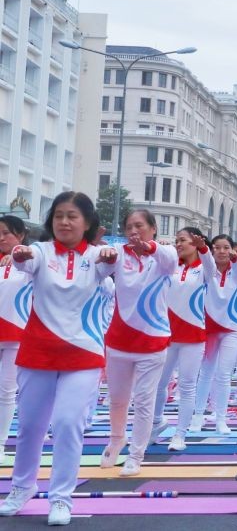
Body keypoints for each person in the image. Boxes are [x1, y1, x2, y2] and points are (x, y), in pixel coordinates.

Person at [0, 192, 118, 525]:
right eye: (59, 216)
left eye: (72, 216)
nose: (64, 222)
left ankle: (62, 498)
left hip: (83, 354)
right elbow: (25, 261)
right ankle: (21, 488)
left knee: (68, 425)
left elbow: (111, 266)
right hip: (38, 351)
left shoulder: (99, 256)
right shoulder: (39, 251)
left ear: (87, 223)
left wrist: (109, 259)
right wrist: (20, 254)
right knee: (30, 427)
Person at [102, 210, 178, 476]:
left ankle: (136, 455)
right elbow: (99, 269)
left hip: (152, 341)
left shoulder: (164, 257)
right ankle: (116, 438)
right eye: (129, 227)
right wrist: (100, 253)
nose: (134, 231)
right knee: (118, 399)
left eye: (140, 226)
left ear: (153, 228)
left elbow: (170, 259)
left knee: (144, 401)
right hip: (119, 341)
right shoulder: (119, 254)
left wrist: (151, 247)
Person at [152, 227, 215, 452]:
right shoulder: (170, 267)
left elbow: (211, 266)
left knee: (188, 386)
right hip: (166, 334)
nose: (179, 244)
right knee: (158, 384)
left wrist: (204, 249)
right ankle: (156, 423)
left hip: (193, 336)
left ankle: (180, 434)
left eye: (183, 240)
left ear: (195, 243)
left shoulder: (204, 270)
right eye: (177, 240)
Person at [191, 234, 237, 434]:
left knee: (223, 375)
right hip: (210, 328)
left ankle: (221, 419)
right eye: (217, 248)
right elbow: (206, 260)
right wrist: (203, 249)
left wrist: (235, 258)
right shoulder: (208, 271)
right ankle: (198, 415)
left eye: (226, 247)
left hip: (233, 328)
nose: (222, 251)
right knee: (205, 373)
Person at [0, 215, 29, 464]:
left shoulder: (29, 260)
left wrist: (19, 255)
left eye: (6, 233)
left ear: (20, 235)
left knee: (7, 392)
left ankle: (0, 445)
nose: (1, 238)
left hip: (16, 335)